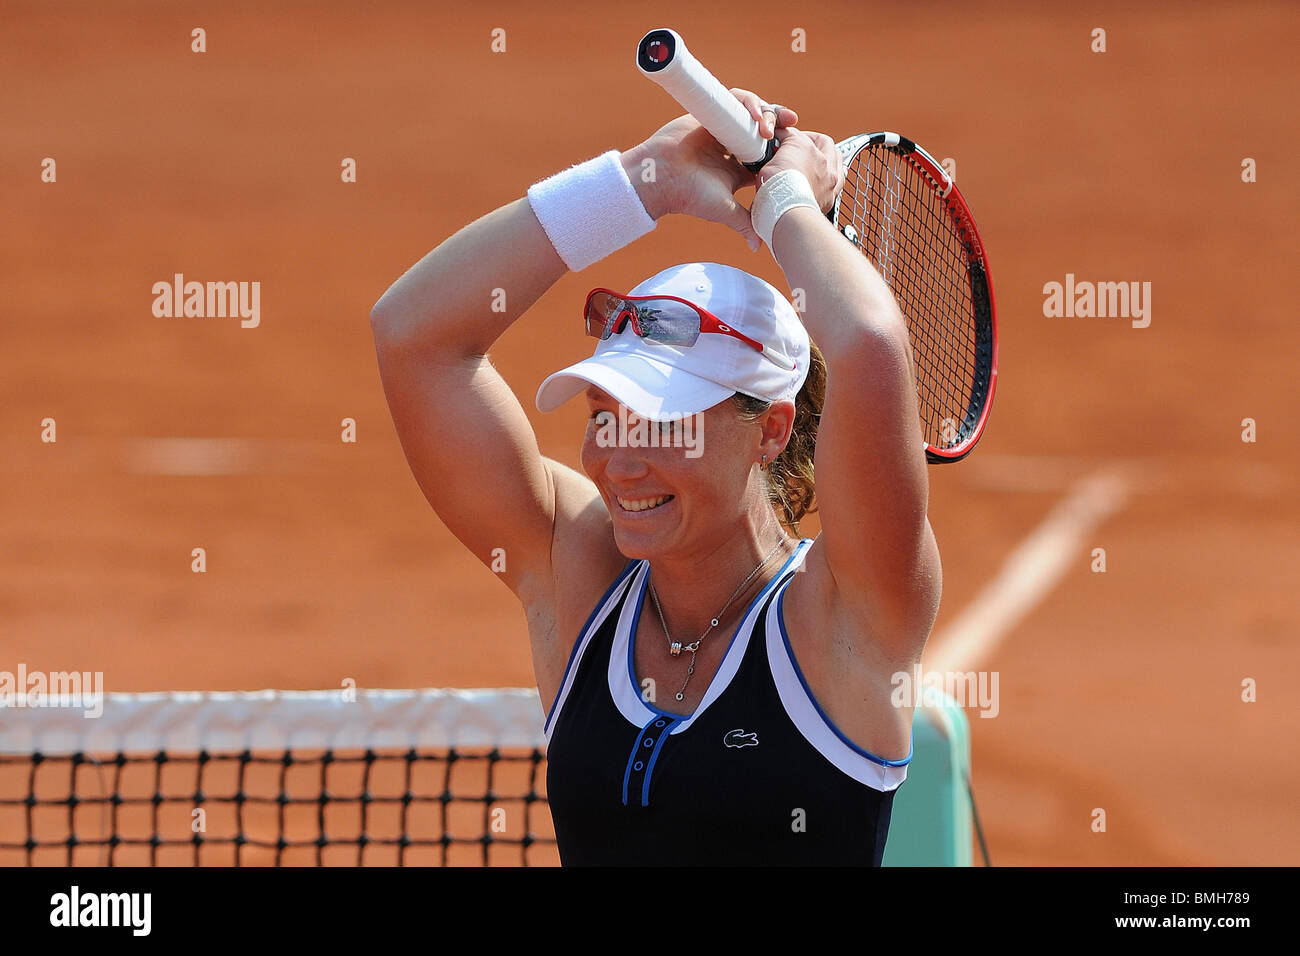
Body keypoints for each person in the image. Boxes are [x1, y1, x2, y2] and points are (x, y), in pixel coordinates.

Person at [369, 91, 941, 865]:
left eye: (662, 422)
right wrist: (643, 182)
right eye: (604, 413)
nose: (618, 459)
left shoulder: (844, 616)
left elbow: (870, 343)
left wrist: (788, 202)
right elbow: (411, 337)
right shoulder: (579, 571)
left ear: (770, 428)